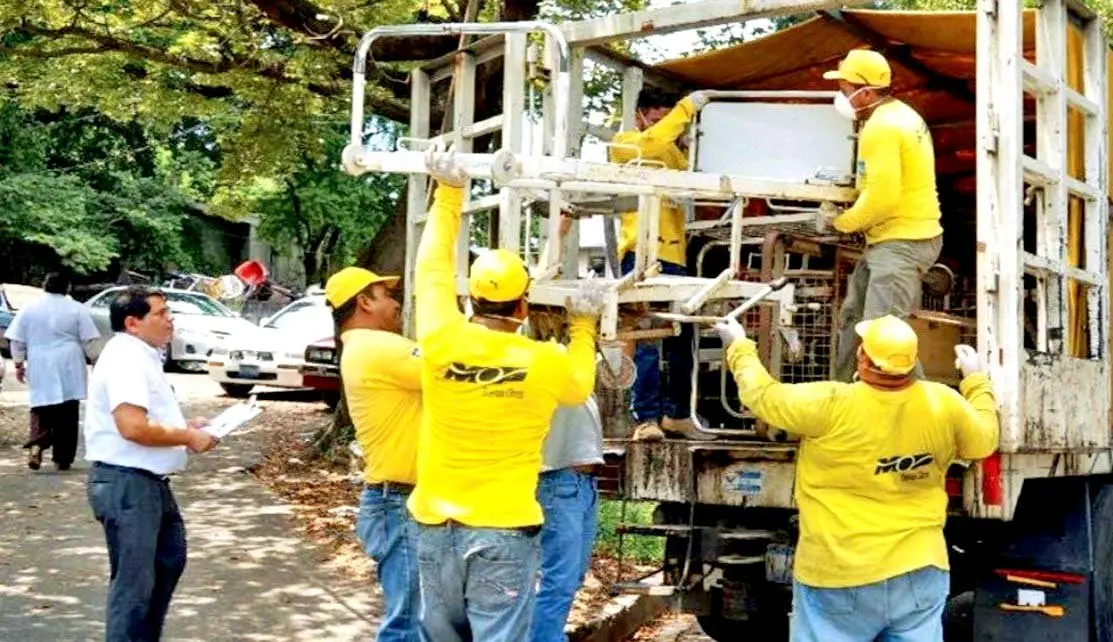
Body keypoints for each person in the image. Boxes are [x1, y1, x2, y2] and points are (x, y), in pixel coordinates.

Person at [407, 147, 601, 642]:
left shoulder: (440, 339)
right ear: (523, 306)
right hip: (504, 528)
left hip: (434, 524)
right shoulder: (544, 361)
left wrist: (449, 193)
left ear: (471, 298)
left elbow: (430, 270)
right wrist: (584, 324)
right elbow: (580, 384)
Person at [715, 313, 999, 642]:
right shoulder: (943, 403)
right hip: (919, 571)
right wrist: (975, 381)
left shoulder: (830, 404)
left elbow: (762, 396)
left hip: (838, 574)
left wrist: (739, 346)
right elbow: (983, 441)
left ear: (863, 358)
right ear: (912, 362)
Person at [83, 286, 220, 641]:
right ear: (133, 322)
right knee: (135, 586)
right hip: (128, 483)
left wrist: (185, 427)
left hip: (148, 481)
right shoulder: (126, 358)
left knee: (168, 561)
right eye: (161, 313)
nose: (170, 320)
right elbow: (132, 427)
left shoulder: (142, 355)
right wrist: (187, 437)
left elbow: (146, 418)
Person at [822, 49, 944, 382]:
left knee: (884, 340)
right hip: (898, 238)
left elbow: (883, 198)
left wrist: (841, 222)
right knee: (855, 321)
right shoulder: (903, 115)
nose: (842, 96)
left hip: (901, 241)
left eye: (845, 89)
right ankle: (844, 396)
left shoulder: (881, 128)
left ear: (866, 92)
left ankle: (922, 406)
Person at [609, 87, 715, 441]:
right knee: (645, 338)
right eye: (657, 119)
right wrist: (684, 110)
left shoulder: (674, 152)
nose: (663, 127)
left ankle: (678, 414)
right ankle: (646, 418)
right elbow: (652, 142)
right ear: (639, 116)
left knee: (682, 338)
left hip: (675, 256)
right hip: (639, 254)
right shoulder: (625, 144)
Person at [326, 266, 422, 642]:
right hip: (400, 503)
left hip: (396, 501)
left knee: (415, 617)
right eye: (386, 295)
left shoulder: (364, 348)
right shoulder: (379, 347)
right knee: (409, 622)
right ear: (364, 302)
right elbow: (454, 370)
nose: (396, 303)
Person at [6, 272, 100, 471]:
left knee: (41, 406)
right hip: (69, 362)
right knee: (68, 410)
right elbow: (89, 340)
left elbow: (16, 339)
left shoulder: (30, 308)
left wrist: (18, 363)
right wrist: (95, 361)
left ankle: (37, 444)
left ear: (44, 285)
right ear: (67, 287)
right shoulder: (77, 308)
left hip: (40, 361)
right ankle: (63, 458)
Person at [529, 398, 605, 642]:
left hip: (583, 484)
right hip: (558, 480)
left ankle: (542, 634)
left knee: (571, 577)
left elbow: (620, 378)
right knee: (558, 580)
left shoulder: (580, 381)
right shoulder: (555, 378)